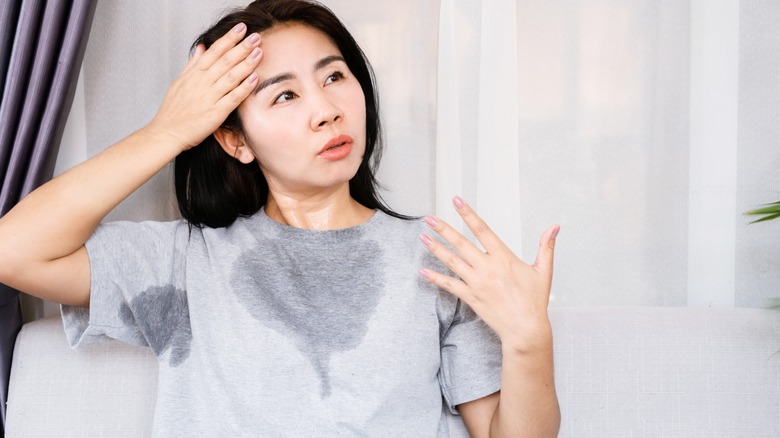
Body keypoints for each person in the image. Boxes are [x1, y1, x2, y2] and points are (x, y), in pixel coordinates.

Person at [0, 0, 561, 436]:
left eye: (335, 76)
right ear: (234, 139)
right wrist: (167, 131)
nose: (326, 110)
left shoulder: (439, 259)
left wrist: (530, 340)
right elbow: (13, 250)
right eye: (285, 96)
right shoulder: (186, 261)